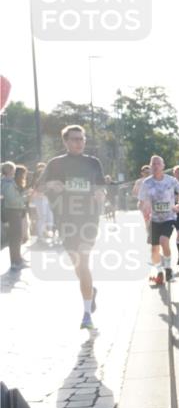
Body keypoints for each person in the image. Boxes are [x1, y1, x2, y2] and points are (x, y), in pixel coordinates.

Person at [36, 125, 105, 328]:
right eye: (74, 139)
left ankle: (86, 315)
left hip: (89, 219)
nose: (79, 142)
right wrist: (50, 186)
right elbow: (37, 188)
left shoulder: (93, 163)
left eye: (81, 139)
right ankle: (90, 292)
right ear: (65, 141)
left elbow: (101, 186)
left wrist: (100, 194)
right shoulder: (55, 164)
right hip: (65, 220)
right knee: (77, 264)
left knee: (83, 261)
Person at [138, 156, 179, 286]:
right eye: (153, 164)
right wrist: (144, 209)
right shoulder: (146, 183)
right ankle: (159, 271)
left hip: (169, 217)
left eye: (158, 164)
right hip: (154, 219)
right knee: (154, 250)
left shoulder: (171, 181)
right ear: (151, 166)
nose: (156, 166)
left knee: (164, 240)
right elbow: (141, 202)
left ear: (163, 166)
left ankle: (168, 267)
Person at [1, 163, 29, 270]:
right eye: (12, 169)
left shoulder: (8, 182)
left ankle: (17, 259)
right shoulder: (6, 183)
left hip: (14, 210)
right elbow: (12, 200)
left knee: (17, 237)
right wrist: (24, 199)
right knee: (15, 238)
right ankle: (15, 262)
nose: (14, 171)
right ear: (9, 170)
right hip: (12, 211)